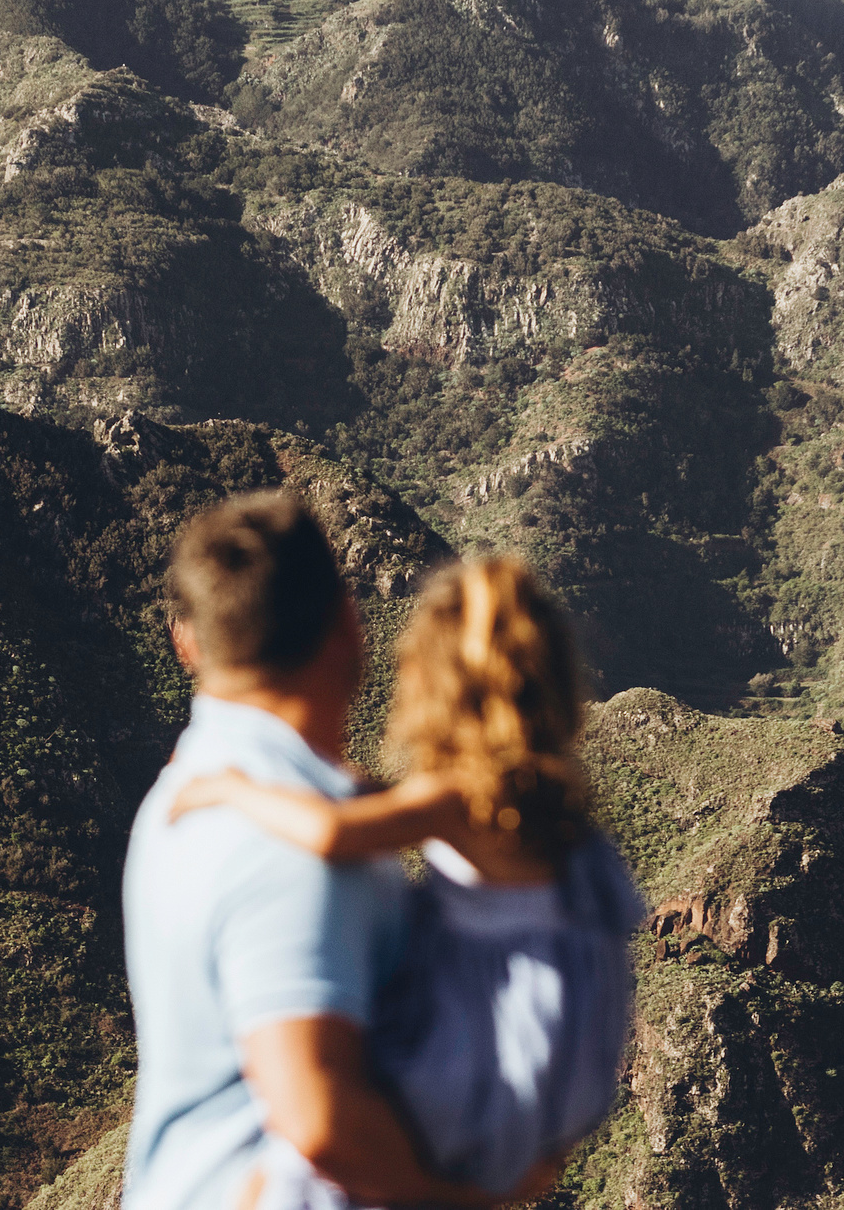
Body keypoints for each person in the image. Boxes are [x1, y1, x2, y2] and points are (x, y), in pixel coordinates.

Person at [170, 556, 642, 1210]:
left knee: (290, 1162)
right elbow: (393, 808)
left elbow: (334, 831)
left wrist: (234, 788)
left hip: (481, 1040)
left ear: (438, 688)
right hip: (564, 1040)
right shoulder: (555, 808)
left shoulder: (457, 794)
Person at [124, 493, 539, 1210]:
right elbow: (318, 1118)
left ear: (187, 643)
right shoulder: (289, 849)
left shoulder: (178, 794)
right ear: (349, 625)